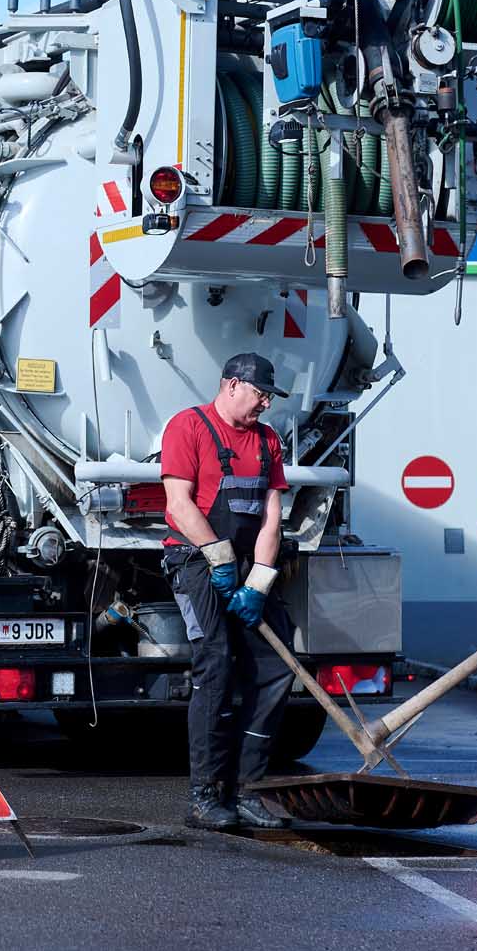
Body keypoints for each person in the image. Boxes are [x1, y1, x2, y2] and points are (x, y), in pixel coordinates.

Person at [160, 351, 296, 831]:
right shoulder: (188, 427)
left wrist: (258, 579)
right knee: (215, 661)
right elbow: (178, 504)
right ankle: (203, 794)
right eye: (260, 394)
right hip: (195, 560)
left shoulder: (268, 441)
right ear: (232, 385)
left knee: (277, 667)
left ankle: (247, 790)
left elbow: (271, 517)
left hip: (244, 561)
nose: (265, 404)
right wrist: (218, 559)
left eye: (268, 397)